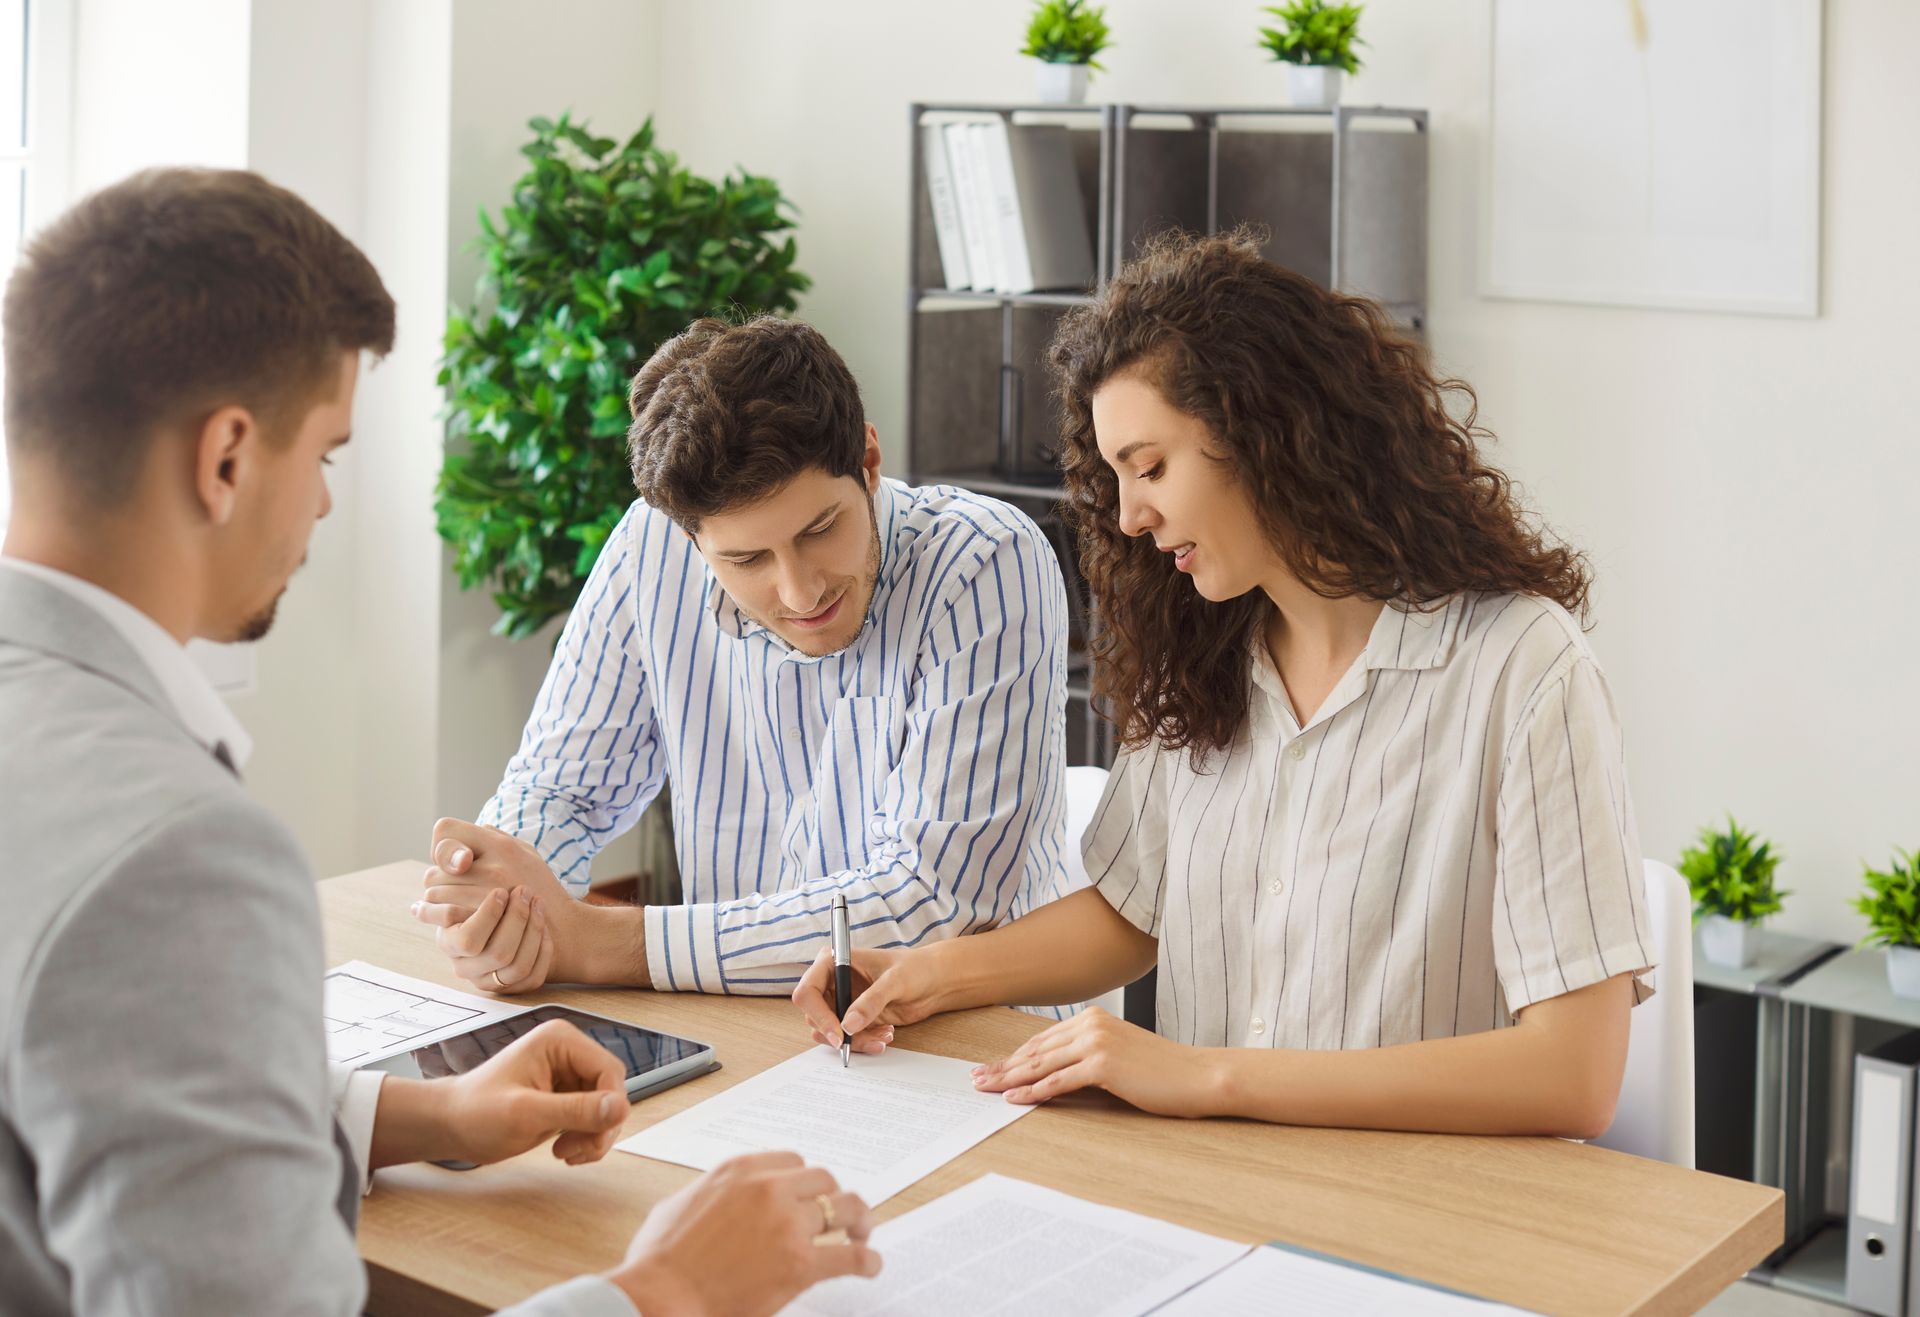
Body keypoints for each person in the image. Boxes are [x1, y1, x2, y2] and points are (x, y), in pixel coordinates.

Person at [0, 167, 878, 1316]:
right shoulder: (179, 855)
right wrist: (662, 1292)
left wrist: (417, 1116)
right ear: (224, 459)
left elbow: (86, 1076)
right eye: (323, 454)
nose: (321, 504)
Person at [791, 229, 1656, 1139]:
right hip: (1206, 1186)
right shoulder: (1204, 653)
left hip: (1414, 1210)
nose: (1130, 516)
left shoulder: (1523, 667)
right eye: (1117, 478)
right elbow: (1132, 913)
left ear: (1270, 433)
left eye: (1152, 466)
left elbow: (1572, 1073)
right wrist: (927, 973)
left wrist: (1206, 1076)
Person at [414, 316, 1073, 1010]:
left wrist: (598, 941)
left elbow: (931, 904)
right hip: (750, 1032)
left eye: (821, 529)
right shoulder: (651, 550)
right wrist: (503, 910)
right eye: (746, 559)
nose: (800, 590)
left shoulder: (985, 563)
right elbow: (559, 792)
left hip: (980, 1048)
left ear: (869, 461)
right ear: (690, 538)